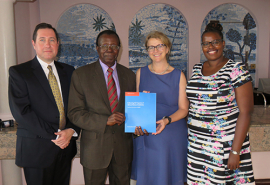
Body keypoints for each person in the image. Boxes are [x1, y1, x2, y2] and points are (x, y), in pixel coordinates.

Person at [8, 23, 80, 185]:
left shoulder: (69, 71)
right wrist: (55, 136)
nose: (47, 44)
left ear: (57, 44)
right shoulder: (19, 72)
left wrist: (71, 130)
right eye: (42, 40)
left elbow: (77, 106)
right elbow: (22, 112)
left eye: (52, 40)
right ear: (34, 44)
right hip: (36, 150)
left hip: (65, 149)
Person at [186, 22, 255, 184]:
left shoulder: (236, 70)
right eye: (206, 43)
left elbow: (246, 112)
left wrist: (236, 151)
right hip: (197, 144)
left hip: (224, 145)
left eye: (215, 42)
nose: (211, 46)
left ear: (223, 43)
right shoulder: (197, 69)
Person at [67, 30, 136, 185]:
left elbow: (133, 110)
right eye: (104, 45)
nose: (109, 49)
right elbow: (75, 113)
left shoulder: (130, 75)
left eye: (113, 45)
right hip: (94, 150)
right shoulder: (81, 75)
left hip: (123, 150)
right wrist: (105, 120)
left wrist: (140, 123)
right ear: (97, 48)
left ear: (119, 49)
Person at [131, 31, 189, 185]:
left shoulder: (179, 75)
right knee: (147, 178)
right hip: (147, 135)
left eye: (159, 46)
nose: (155, 50)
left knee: (169, 178)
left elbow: (184, 109)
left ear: (168, 48)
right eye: (151, 47)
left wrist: (166, 120)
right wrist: (135, 125)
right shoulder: (140, 73)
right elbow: (137, 106)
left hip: (172, 133)